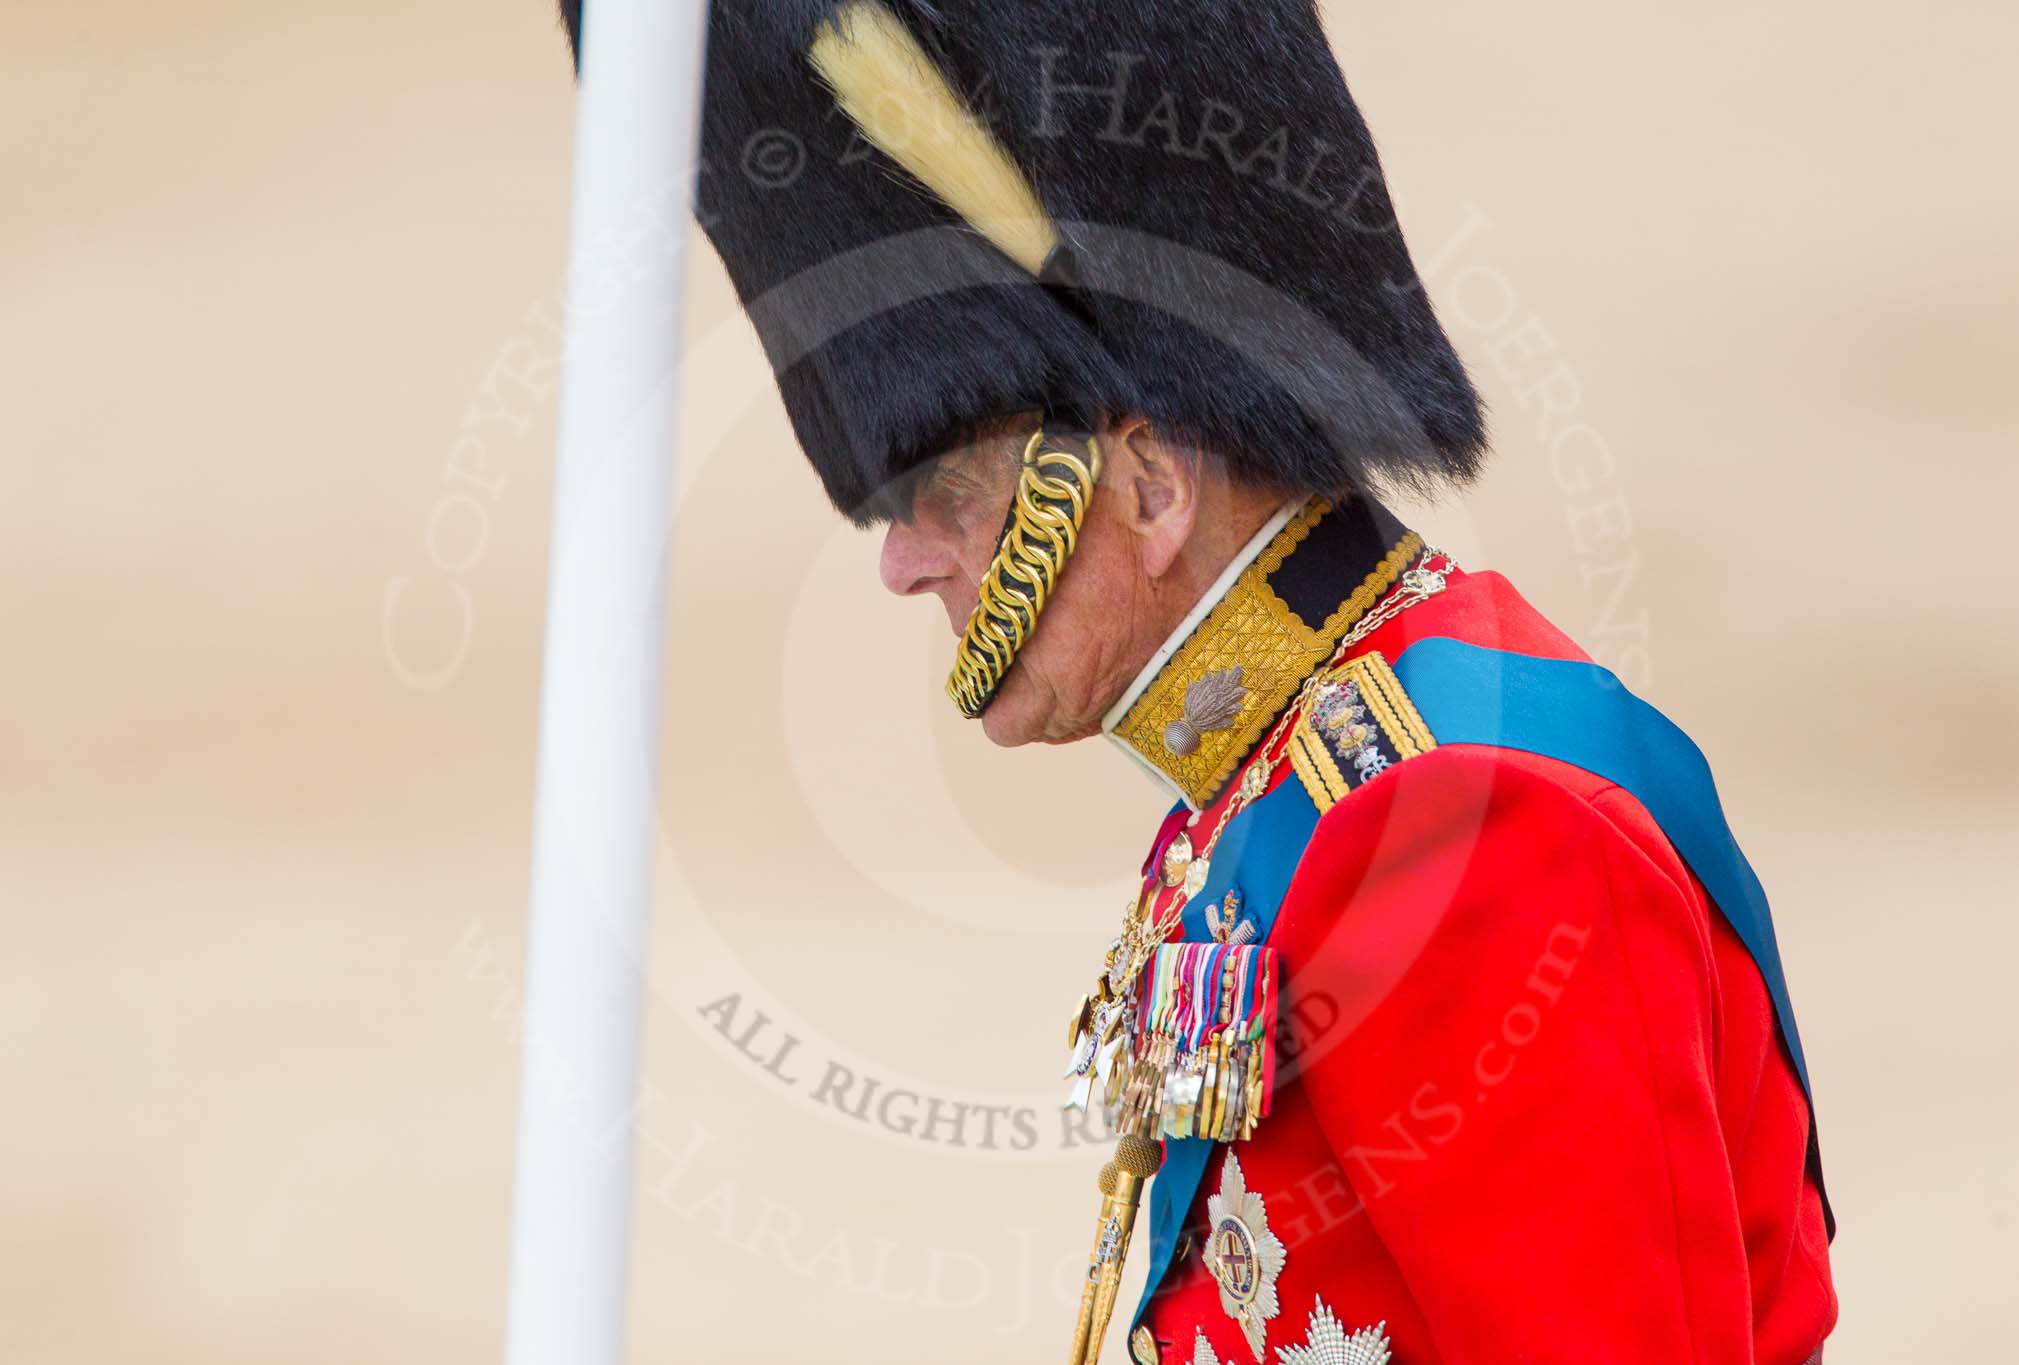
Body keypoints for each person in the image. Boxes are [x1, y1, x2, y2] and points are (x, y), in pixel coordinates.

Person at [557, 2, 1838, 1360]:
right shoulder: (1274, 774)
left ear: (1152, 480)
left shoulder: (1465, 822)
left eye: (937, 490)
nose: (904, 565)